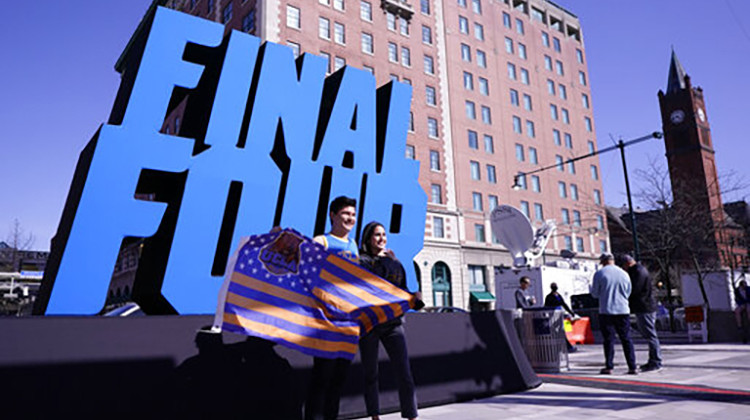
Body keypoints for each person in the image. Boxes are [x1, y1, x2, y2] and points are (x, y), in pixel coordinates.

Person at [358, 221, 420, 420]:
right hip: (369, 324)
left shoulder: (394, 262)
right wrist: (388, 261)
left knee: (404, 372)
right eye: (377, 235)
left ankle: (411, 415)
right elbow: (376, 284)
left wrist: (414, 298)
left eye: (384, 235)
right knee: (370, 373)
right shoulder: (362, 260)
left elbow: (399, 290)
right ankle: (374, 416)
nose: (382, 238)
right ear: (368, 238)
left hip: (393, 324)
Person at [305, 196, 359, 420]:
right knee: (322, 378)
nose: (350, 218)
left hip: (348, 324)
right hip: (325, 322)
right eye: (346, 213)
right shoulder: (321, 241)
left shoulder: (354, 245)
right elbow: (303, 267)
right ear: (333, 215)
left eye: (353, 215)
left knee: (338, 381)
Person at [591, 253, 637, 375]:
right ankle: (632, 366)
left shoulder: (600, 274)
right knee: (626, 339)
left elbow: (595, 293)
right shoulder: (624, 274)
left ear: (603, 262)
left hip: (606, 310)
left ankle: (609, 366)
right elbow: (628, 291)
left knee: (609, 340)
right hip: (623, 310)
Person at [620, 254, 662, 372]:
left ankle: (656, 361)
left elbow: (635, 289)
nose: (624, 269)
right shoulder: (640, 270)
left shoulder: (637, 272)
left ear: (627, 263)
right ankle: (653, 360)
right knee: (649, 334)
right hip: (645, 306)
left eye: (624, 266)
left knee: (650, 335)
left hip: (644, 306)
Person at [544, 282, 578, 353]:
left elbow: (564, 304)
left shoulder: (558, 295)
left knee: (560, 331)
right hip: (552, 315)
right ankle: (564, 347)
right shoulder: (549, 297)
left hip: (559, 315)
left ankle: (566, 347)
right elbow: (546, 306)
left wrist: (571, 312)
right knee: (556, 332)